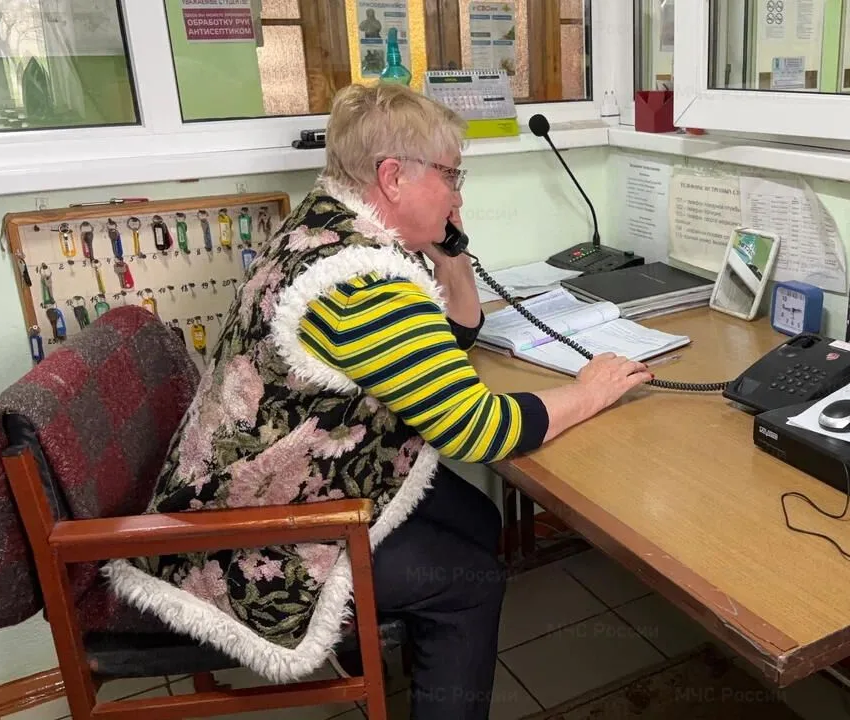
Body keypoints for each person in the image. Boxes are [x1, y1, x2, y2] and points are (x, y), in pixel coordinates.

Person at [104, 82, 653, 720]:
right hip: (250, 536)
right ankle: (430, 646)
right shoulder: (362, 283)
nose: (458, 195)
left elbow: (449, 339)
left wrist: (453, 257)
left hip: (277, 480)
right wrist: (590, 391)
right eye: (451, 176)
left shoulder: (326, 222)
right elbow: (478, 431)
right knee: (470, 584)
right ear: (393, 177)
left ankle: (410, 656)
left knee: (478, 519)